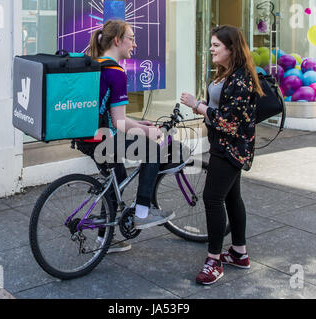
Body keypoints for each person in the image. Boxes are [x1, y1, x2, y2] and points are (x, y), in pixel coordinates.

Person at [74, 20, 175, 253]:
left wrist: (138, 124)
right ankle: (142, 212)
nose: (134, 43)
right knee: (153, 148)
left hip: (87, 137)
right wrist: (152, 132)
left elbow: (108, 113)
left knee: (115, 183)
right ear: (117, 40)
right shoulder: (116, 72)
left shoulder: (95, 65)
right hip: (102, 140)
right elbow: (119, 121)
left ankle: (103, 241)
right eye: (131, 37)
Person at [180, 25, 264, 285]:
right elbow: (220, 111)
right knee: (232, 197)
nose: (211, 49)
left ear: (231, 49)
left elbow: (229, 123)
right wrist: (204, 109)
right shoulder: (228, 73)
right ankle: (239, 253)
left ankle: (213, 261)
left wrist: (198, 105)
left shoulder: (241, 79)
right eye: (212, 44)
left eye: (217, 45)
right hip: (223, 145)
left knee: (212, 198)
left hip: (231, 148)